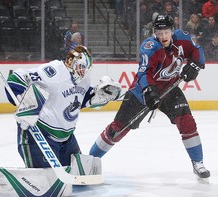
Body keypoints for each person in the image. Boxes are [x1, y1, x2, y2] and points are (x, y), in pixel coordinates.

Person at [89, 14, 211, 183]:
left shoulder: (182, 38)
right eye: (159, 32)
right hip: (142, 92)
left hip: (170, 89)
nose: (163, 36)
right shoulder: (150, 47)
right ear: (155, 32)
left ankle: (198, 163)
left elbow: (197, 50)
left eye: (166, 32)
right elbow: (144, 73)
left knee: (187, 121)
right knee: (117, 129)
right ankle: (89, 160)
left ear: (172, 31)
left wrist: (196, 64)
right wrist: (150, 91)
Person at [5, 45, 121, 168]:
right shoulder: (54, 71)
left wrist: (96, 96)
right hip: (39, 134)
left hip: (67, 139)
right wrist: (24, 101)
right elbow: (15, 78)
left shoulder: (84, 78)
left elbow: (79, 99)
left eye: (86, 68)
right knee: (46, 180)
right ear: (71, 62)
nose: (83, 72)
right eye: (81, 67)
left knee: (78, 175)